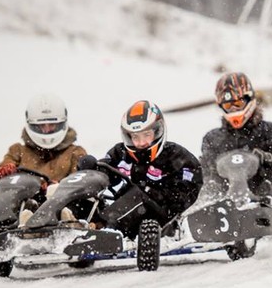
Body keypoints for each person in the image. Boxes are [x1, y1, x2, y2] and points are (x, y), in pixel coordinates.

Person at [76, 100, 203, 238]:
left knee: (137, 194)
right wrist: (91, 170)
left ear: (157, 131)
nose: (141, 143)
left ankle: (104, 232)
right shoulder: (120, 153)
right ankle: (72, 225)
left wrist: (155, 193)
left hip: (162, 219)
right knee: (87, 196)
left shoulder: (177, 156)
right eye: (135, 137)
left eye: (146, 135)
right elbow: (106, 171)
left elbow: (190, 190)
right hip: (126, 215)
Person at [200, 72, 272, 206]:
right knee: (209, 182)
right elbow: (204, 167)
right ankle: (207, 213)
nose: (233, 109)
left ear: (249, 100)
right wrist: (214, 165)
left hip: (260, 188)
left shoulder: (267, 130)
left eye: (238, 103)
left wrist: (266, 157)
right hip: (227, 193)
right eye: (228, 106)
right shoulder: (212, 138)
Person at [0, 93, 87, 187]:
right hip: (22, 201)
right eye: (41, 126)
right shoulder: (18, 151)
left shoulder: (75, 153)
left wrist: (57, 186)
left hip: (60, 202)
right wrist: (3, 171)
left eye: (52, 125)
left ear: (62, 123)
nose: (47, 129)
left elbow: (82, 181)